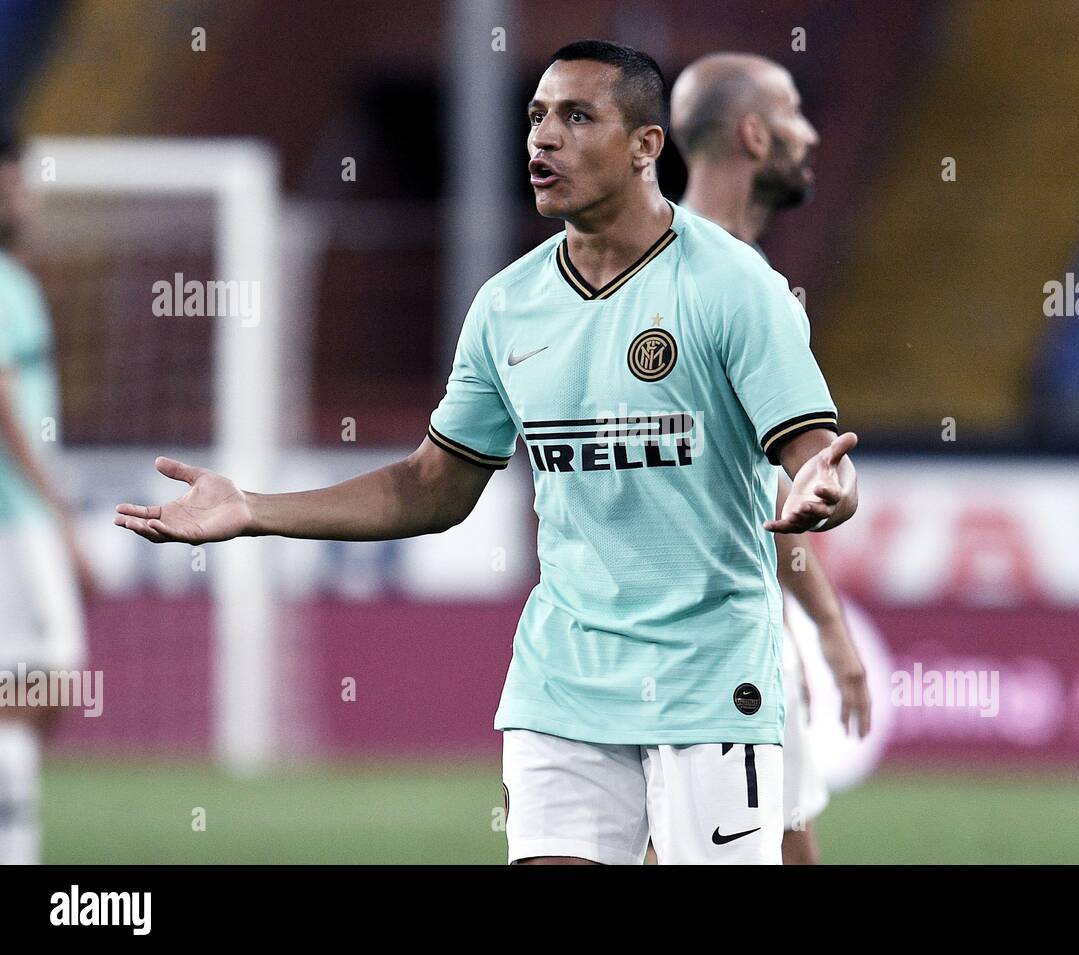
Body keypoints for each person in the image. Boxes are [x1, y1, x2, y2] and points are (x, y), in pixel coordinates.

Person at [115, 40, 857, 865]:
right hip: (562, 684)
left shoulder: (733, 285)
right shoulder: (508, 306)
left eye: (578, 117)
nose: (544, 138)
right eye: (536, 117)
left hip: (711, 681)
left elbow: (815, 452)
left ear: (649, 146)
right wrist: (254, 508)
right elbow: (432, 485)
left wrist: (828, 484)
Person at [672, 52, 870, 865]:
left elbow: (747, 496)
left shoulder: (753, 285)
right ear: (753, 134)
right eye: (792, 112)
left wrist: (820, 622)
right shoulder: (680, 285)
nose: (811, 131)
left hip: (745, 638)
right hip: (676, 655)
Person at [0, 129, 93, 865]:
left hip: (19, 515)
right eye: (18, 181)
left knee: (33, 683)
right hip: (14, 518)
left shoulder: (16, 280)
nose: (28, 198)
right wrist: (58, 515)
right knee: (46, 678)